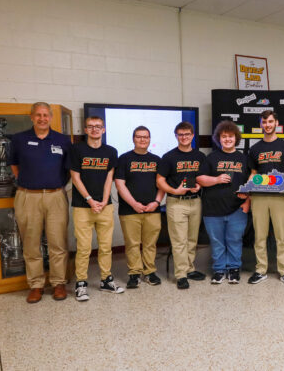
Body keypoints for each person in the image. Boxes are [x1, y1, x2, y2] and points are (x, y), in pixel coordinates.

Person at [9, 102, 71, 303]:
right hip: (28, 197)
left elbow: (68, 169)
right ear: (31, 117)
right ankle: (36, 285)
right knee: (31, 243)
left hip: (55, 196)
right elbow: (14, 166)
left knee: (57, 242)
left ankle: (58, 282)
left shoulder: (62, 140)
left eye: (45, 115)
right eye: (38, 115)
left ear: (51, 117)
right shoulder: (19, 139)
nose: (42, 118)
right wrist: (31, 184)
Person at [70, 116, 123, 301]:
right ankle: (81, 283)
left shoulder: (111, 151)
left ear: (104, 130)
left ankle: (106, 280)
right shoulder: (77, 150)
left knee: (106, 247)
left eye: (98, 126)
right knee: (84, 248)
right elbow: (75, 178)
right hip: (82, 207)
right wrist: (90, 200)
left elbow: (110, 178)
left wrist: (105, 199)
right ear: (85, 130)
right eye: (91, 127)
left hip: (104, 207)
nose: (94, 130)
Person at [246, 110, 284, 286]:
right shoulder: (255, 148)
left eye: (270, 121)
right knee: (260, 236)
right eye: (264, 122)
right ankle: (261, 270)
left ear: (276, 123)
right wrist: (246, 189)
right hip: (259, 196)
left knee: (281, 236)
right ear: (261, 124)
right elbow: (253, 173)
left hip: (280, 196)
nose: (267, 125)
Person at [197, 121, 250, 285]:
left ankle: (234, 269)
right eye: (224, 136)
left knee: (234, 240)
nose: (227, 139)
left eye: (231, 136)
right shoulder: (211, 157)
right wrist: (216, 179)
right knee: (217, 242)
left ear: (236, 138)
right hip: (212, 209)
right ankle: (219, 270)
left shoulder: (244, 158)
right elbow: (200, 179)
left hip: (237, 209)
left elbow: (253, 182)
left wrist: (248, 200)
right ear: (218, 138)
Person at [157, 121, 207, 290]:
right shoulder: (169, 157)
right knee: (179, 240)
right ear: (176, 136)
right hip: (176, 202)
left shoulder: (199, 156)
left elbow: (201, 177)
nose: (184, 137)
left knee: (192, 239)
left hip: (195, 201)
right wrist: (174, 190)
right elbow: (160, 181)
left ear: (192, 136)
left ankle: (190, 268)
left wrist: (199, 186)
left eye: (187, 134)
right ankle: (181, 274)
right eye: (181, 134)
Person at [114, 126, 165, 289]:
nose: (142, 139)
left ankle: (149, 272)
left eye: (146, 137)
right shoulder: (124, 159)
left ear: (150, 139)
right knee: (132, 243)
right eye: (139, 137)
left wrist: (156, 202)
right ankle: (134, 273)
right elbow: (120, 184)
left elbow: (161, 184)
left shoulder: (157, 160)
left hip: (152, 209)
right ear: (133, 138)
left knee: (150, 244)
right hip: (130, 210)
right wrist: (134, 204)